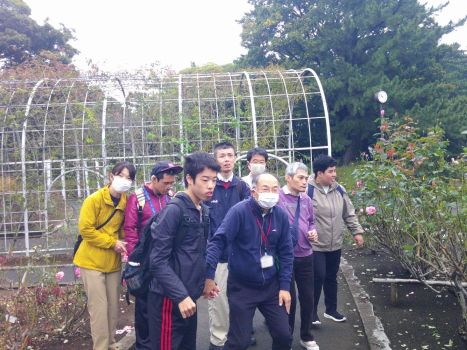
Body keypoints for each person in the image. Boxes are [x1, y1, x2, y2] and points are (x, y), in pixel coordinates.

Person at [205, 173, 294, 350]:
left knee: (284, 335)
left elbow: (286, 253)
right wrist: (208, 275)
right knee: (239, 341)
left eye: (275, 189)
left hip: (271, 286)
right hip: (242, 287)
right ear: (254, 192)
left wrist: (284, 287)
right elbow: (218, 241)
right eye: (265, 189)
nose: (271, 193)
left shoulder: (280, 216)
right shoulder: (239, 211)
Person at [147, 152, 220, 350]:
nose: (211, 185)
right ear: (189, 178)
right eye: (205, 180)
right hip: (168, 301)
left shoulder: (202, 210)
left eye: (214, 180)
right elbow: (157, 261)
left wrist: (207, 279)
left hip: (189, 299)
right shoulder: (174, 210)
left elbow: (200, 251)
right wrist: (180, 295)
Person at [73, 161, 136, 350]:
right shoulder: (94, 200)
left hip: (112, 263)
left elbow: (126, 229)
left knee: (113, 308)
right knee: (99, 309)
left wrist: (127, 243)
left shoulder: (127, 202)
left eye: (129, 178)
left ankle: (110, 343)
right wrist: (112, 242)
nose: (124, 180)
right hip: (91, 261)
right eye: (121, 175)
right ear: (111, 176)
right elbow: (86, 230)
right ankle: (100, 347)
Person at [124, 160, 183, 350]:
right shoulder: (138, 198)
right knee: (143, 306)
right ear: (153, 179)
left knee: (161, 304)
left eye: (171, 183)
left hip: (165, 260)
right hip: (145, 262)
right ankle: (143, 345)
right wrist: (135, 260)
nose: (169, 187)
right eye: (165, 183)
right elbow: (130, 230)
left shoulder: (171, 197)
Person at [308, 155, 364, 325]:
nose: (334, 174)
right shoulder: (308, 191)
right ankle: (311, 314)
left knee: (331, 276)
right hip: (315, 244)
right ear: (319, 173)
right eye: (330, 171)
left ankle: (331, 310)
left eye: (335, 170)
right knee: (318, 276)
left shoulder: (339, 189)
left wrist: (357, 232)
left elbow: (349, 212)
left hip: (335, 243)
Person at [206, 141, 250, 350]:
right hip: (218, 257)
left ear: (235, 158)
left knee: (240, 299)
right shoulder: (209, 188)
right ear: (215, 160)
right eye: (222, 156)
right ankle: (218, 341)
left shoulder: (242, 187)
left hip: (240, 256)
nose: (226, 159)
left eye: (230, 155)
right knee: (219, 301)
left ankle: (239, 335)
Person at [278, 162, 319, 350]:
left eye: (306, 178)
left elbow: (311, 221)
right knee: (289, 300)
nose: (305, 182)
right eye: (301, 178)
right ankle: (286, 337)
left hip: (306, 254)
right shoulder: (277, 197)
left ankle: (306, 336)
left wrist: (313, 231)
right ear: (288, 178)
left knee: (308, 297)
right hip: (285, 257)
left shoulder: (306, 200)